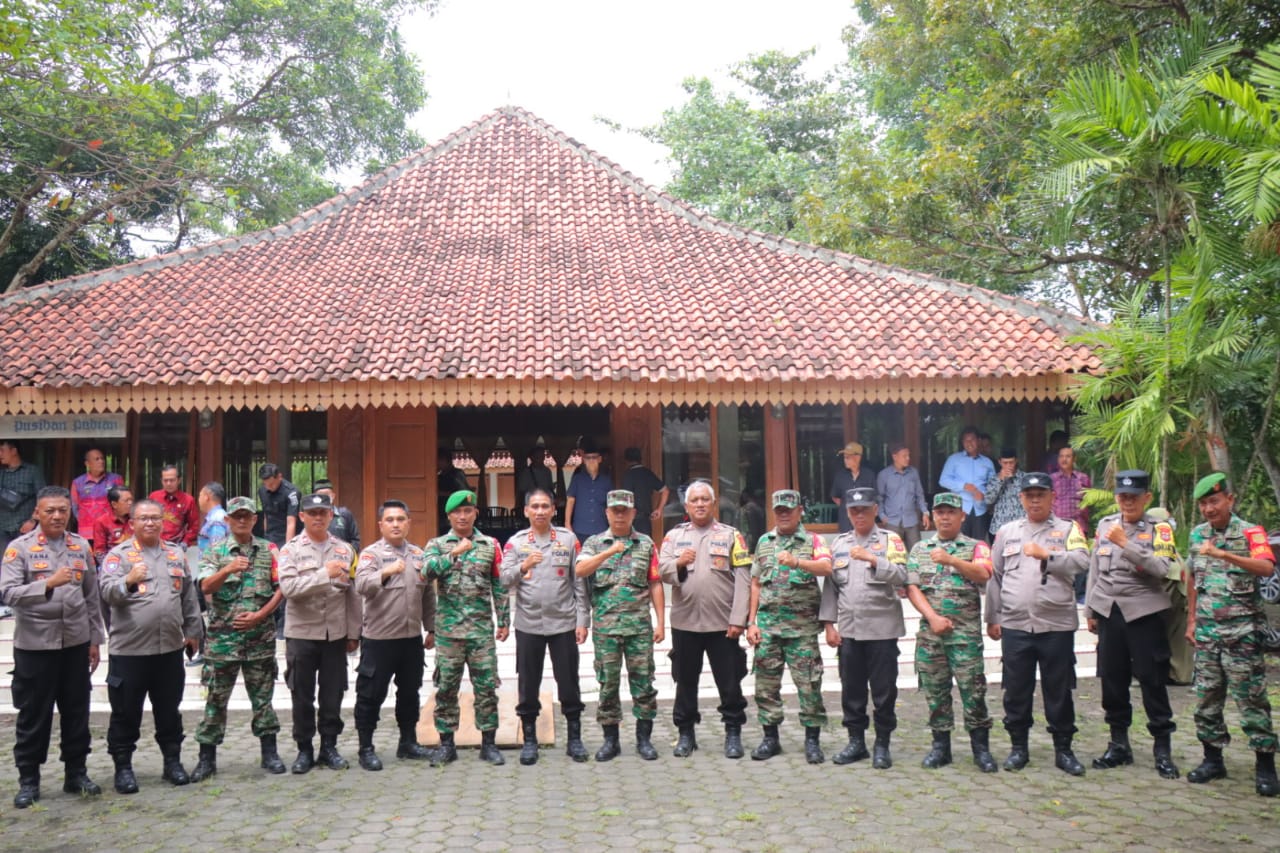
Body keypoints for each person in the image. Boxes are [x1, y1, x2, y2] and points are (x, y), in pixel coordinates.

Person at [0, 486, 105, 808]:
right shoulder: (20, 549)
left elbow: (91, 595)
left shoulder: (80, 547)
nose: (57, 516)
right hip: (35, 647)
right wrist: (46, 584)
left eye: (62, 510)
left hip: (74, 644)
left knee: (76, 712)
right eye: (50, 511)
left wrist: (94, 640)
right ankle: (29, 780)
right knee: (34, 715)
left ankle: (76, 773)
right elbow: (7, 593)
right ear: (37, 512)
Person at [986, 471, 1089, 775]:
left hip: (1055, 624)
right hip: (1016, 625)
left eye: (1040, 494)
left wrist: (1048, 556)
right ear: (1021, 499)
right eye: (1029, 495)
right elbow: (996, 576)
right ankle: (1019, 748)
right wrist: (992, 617)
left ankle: (1064, 749)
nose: (1034, 500)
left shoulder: (1069, 529)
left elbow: (1083, 561)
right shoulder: (1006, 532)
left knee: (1058, 690)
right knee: (1016, 690)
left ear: (1052, 497)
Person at [99, 498, 203, 793]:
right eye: (143, 518)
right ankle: (123, 769)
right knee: (125, 713)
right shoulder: (118, 557)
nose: (150, 523)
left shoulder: (175, 555)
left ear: (163, 522)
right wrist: (129, 581)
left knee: (169, 711)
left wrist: (193, 631)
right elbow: (106, 594)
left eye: (155, 518)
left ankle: (172, 763)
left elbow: (188, 598)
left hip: (169, 650)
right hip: (130, 652)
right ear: (132, 523)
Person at [1184, 472, 1279, 796]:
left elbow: (1267, 568)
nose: (1209, 509)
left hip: (1242, 634)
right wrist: (1192, 620)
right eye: (1203, 504)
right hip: (1208, 633)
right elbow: (1193, 578)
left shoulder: (1251, 532)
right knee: (1207, 699)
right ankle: (1213, 760)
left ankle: (1265, 766)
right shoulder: (1198, 535)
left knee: (1252, 701)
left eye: (1214, 501)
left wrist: (1225, 555)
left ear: (1230, 499)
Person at [1084, 470, 1180, 779]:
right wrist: (1091, 610)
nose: (1127, 502)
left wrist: (1126, 543)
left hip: (1144, 613)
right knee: (1112, 680)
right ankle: (1119, 745)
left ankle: (1162, 750)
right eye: (1122, 496)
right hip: (1110, 612)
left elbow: (1162, 569)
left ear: (1146, 498)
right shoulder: (1104, 525)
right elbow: (1095, 570)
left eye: (1134, 497)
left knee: (1152, 679)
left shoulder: (1160, 529)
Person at [190, 496, 285, 781]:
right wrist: (227, 569)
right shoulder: (215, 551)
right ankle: (207, 758)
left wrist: (260, 615)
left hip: (260, 639)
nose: (242, 520)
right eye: (236, 516)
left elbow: (281, 588)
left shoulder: (269, 550)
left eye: (247, 515)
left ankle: (270, 753)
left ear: (255, 520)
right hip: (222, 642)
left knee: (263, 701)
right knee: (215, 701)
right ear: (228, 520)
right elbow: (205, 585)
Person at [658, 480, 752, 759]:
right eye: (694, 500)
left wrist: (739, 619)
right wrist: (677, 562)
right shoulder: (673, 537)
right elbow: (660, 571)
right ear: (686, 506)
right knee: (685, 681)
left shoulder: (732, 535)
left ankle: (733, 733)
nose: (699, 504)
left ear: (713, 504)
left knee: (730, 681)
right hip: (685, 623)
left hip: (723, 625)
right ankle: (686, 734)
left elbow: (744, 579)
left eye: (704, 500)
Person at [905, 492, 997, 772]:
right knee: (935, 693)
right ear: (933, 515)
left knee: (973, 691)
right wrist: (932, 617)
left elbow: (985, 574)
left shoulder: (976, 546)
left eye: (950, 512)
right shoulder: (920, 549)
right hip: (932, 636)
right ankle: (940, 748)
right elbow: (912, 587)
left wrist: (952, 560)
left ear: (962, 516)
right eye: (940, 512)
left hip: (965, 636)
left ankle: (981, 749)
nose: (944, 517)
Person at [820, 486, 908, 769]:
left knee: (884, 692)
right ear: (847, 513)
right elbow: (831, 588)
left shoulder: (890, 541)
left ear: (875, 510)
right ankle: (856, 742)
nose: (859, 515)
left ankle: (882, 743)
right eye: (854, 510)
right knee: (852, 691)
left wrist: (874, 560)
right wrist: (829, 625)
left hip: (882, 630)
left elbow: (903, 576)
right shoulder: (839, 544)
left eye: (864, 509)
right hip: (849, 630)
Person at [499, 489, 589, 765]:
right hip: (529, 624)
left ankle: (574, 739)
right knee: (528, 684)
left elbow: (579, 582)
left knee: (569, 683)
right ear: (525, 511)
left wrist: (582, 620)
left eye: (545, 506)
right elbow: (503, 580)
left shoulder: (568, 539)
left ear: (553, 510)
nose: (540, 511)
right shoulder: (514, 543)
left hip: (563, 622)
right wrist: (523, 566)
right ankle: (529, 740)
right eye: (534, 506)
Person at [422, 490, 510, 766]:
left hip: (481, 631)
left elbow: (499, 584)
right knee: (446, 687)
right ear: (449, 516)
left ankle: (489, 743)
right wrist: (454, 553)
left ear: (475, 514)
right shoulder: (437, 544)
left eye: (467, 511)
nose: (462, 516)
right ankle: (447, 744)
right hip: (448, 632)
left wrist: (504, 620)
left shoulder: (490, 544)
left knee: (486, 687)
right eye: (457, 512)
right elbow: (425, 573)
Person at [576, 490, 665, 762]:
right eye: (615, 510)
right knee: (607, 684)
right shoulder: (593, 543)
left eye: (624, 510)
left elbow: (655, 582)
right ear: (607, 513)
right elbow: (580, 571)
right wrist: (610, 551)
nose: (619, 515)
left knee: (644, 684)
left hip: (639, 627)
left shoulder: (646, 543)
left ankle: (644, 740)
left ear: (633, 513)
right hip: (606, 629)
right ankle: (610, 741)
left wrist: (661, 621)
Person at [745, 490, 832, 763]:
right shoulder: (764, 542)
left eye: (789, 510)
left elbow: (826, 568)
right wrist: (752, 622)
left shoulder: (814, 540)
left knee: (808, 686)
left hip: (802, 630)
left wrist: (797, 561)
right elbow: (756, 582)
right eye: (779, 510)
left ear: (799, 511)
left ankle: (812, 741)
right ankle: (770, 738)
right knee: (765, 687)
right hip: (769, 629)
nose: (783, 514)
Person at [277, 492, 361, 773]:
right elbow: (289, 589)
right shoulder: (290, 550)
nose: (318, 518)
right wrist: (324, 574)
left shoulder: (345, 550)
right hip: (302, 633)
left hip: (335, 634)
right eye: (312, 513)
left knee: (332, 694)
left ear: (331, 516)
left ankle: (329, 747)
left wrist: (353, 632)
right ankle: (304, 749)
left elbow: (352, 594)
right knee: (302, 695)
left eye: (323, 513)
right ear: (302, 517)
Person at [352, 500, 436, 771]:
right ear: (381, 525)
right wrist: (386, 571)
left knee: (410, 693)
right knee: (370, 695)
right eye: (390, 520)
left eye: (401, 519)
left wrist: (431, 627)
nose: (396, 524)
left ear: (409, 523)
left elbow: (428, 595)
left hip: (410, 638)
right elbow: (361, 585)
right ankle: (366, 748)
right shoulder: (371, 555)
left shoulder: (418, 554)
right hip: (379, 640)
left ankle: (408, 743)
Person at [1148, 506, 1194, 684]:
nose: (1171, 524)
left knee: (1178, 641)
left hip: (1180, 599)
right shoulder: (1151, 545)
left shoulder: (1168, 545)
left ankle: (1179, 674)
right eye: (1168, 521)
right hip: (1167, 595)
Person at [938, 426, 996, 542]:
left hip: (980, 509)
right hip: (959, 509)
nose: (969, 443)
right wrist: (963, 485)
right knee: (959, 545)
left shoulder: (987, 462)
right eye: (966, 440)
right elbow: (943, 480)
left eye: (972, 439)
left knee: (978, 545)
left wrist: (983, 494)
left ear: (978, 441)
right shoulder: (954, 459)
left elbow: (993, 485)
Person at [1051, 447, 1093, 603]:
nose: (1064, 459)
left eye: (1068, 456)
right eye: (1061, 456)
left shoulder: (1083, 478)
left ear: (1074, 459)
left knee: (1080, 559)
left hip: (1079, 525)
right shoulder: (1052, 479)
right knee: (1058, 558)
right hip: (1058, 526)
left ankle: (1080, 593)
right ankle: (1061, 592)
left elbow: (1089, 501)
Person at [876, 443, 930, 550]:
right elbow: (879, 498)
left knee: (917, 553)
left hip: (911, 521)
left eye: (908, 455)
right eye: (904, 456)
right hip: (892, 522)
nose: (908, 458)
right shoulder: (884, 475)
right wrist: (882, 516)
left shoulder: (913, 473)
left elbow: (919, 495)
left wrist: (925, 512)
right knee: (893, 555)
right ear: (894, 456)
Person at [69, 447, 123, 551]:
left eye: (102, 458)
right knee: (90, 561)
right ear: (87, 463)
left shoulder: (116, 479)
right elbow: (75, 506)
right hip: (87, 532)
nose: (101, 461)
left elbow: (122, 503)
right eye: (97, 459)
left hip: (110, 529)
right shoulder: (77, 482)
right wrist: (84, 521)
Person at [0, 439, 46, 554]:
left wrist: (33, 520)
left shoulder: (32, 471)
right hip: (3, 528)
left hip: (25, 527)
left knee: (27, 562)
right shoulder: (1, 473)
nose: (0, 454)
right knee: (5, 563)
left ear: (14, 451)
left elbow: (43, 497)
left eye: (2, 450)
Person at [566, 440, 612, 541]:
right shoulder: (577, 479)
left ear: (600, 459)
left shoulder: (607, 481)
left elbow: (611, 504)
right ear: (583, 460)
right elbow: (570, 501)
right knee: (581, 557)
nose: (591, 460)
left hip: (601, 529)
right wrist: (567, 524)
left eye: (594, 458)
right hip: (580, 529)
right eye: (588, 458)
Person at [620, 447, 669, 537]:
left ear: (626, 460)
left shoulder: (627, 475)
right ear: (640, 459)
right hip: (645, 520)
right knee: (646, 547)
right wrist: (659, 509)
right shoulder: (647, 473)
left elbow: (625, 499)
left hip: (630, 518)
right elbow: (665, 490)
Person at [830, 441, 877, 534]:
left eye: (848, 458)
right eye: (844, 458)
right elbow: (835, 496)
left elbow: (875, 497)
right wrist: (849, 507)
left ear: (858, 457)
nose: (845, 460)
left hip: (865, 522)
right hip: (846, 522)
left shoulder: (869, 475)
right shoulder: (840, 476)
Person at [149, 465, 199, 549]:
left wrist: (185, 541)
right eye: (165, 480)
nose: (168, 483)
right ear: (161, 481)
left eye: (172, 480)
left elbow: (194, 525)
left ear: (179, 480)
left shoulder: (188, 500)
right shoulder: (154, 497)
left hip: (177, 545)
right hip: (154, 544)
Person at [984, 448, 1026, 538]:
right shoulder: (994, 479)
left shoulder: (1025, 478)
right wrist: (1000, 480)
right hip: (1000, 526)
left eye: (1011, 462)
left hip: (1020, 526)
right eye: (1005, 463)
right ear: (999, 462)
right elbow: (988, 500)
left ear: (1016, 461)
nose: (1008, 466)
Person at [257, 463, 299, 548]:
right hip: (269, 537)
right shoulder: (262, 491)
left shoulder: (291, 493)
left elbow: (291, 522)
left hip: (285, 537)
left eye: (271, 484)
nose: (268, 487)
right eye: (265, 484)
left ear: (279, 477)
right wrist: (265, 539)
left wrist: (288, 548)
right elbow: (266, 516)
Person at [314, 477, 359, 550]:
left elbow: (355, 540)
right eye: (320, 495)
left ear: (333, 496)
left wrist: (347, 554)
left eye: (326, 495)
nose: (324, 498)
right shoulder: (311, 517)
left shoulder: (344, 514)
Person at [92, 485, 134, 563]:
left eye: (131, 500)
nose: (130, 503)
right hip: (113, 563)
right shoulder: (102, 522)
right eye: (126, 500)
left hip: (136, 561)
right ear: (114, 504)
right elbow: (99, 553)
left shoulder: (136, 519)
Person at [437, 447, 471, 532]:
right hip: (440, 512)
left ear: (446, 461)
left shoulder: (456, 474)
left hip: (454, 512)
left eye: (439, 461)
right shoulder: (440, 476)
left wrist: (441, 494)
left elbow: (463, 493)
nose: (437, 463)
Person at [515, 446, 556, 512]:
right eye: (538, 456)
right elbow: (521, 492)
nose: (541, 459)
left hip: (545, 504)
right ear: (532, 458)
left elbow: (550, 489)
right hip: (531, 505)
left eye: (542, 456)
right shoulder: (526, 473)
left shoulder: (547, 471)